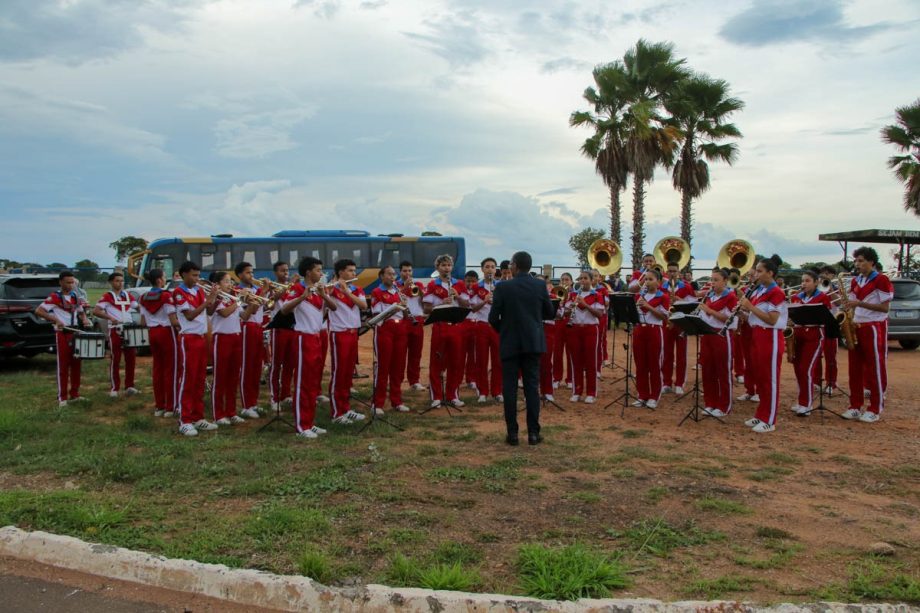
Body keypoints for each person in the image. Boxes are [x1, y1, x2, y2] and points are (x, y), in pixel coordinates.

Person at [488, 251, 555, 446]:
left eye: (511, 263)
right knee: (532, 388)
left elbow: (493, 318)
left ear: (515, 266)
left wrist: (504, 331)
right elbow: (549, 312)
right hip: (533, 342)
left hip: (510, 342)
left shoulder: (503, 287)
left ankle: (512, 434)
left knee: (509, 389)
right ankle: (533, 433)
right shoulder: (539, 285)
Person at [281, 256, 337, 439]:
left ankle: (309, 422)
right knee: (302, 383)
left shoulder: (320, 290)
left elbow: (334, 308)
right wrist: (302, 297)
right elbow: (284, 310)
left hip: (316, 338)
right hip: (302, 338)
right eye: (318, 270)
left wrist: (323, 294)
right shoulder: (297, 288)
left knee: (313, 382)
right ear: (308, 272)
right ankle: (301, 426)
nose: (321, 273)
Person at [842, 247, 893, 422]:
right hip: (857, 325)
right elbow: (852, 303)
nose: (857, 264)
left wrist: (859, 304)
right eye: (856, 261)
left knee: (874, 367)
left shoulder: (881, 279)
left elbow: (884, 308)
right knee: (854, 368)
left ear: (871, 262)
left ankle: (875, 408)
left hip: (874, 326)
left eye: (861, 261)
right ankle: (855, 405)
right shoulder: (856, 280)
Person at [738, 254, 787, 433]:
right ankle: (761, 414)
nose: (756, 274)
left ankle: (770, 419)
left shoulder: (776, 292)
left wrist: (750, 306)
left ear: (770, 273)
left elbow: (772, 319)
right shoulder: (759, 291)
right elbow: (756, 317)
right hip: (757, 334)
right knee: (760, 377)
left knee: (770, 379)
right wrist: (743, 314)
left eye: (759, 271)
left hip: (770, 336)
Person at [173, 261, 219, 437]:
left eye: (198, 275)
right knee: (188, 379)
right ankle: (184, 420)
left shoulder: (199, 291)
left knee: (200, 379)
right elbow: (190, 316)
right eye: (193, 275)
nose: (197, 279)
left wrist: (215, 299)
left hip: (201, 337)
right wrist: (208, 300)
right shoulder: (179, 292)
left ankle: (198, 417)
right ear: (184, 274)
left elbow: (208, 312)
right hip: (189, 338)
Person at [35, 270, 91, 407]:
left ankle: (75, 394)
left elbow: (81, 311)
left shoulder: (75, 296)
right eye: (68, 282)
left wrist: (84, 319)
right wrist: (55, 319)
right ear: (61, 282)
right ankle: (62, 397)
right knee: (63, 365)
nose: (71, 285)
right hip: (62, 333)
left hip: (75, 332)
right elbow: (39, 311)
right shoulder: (55, 297)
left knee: (76, 364)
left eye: (72, 282)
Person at [423, 254, 469, 408]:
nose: (446, 268)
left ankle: (452, 395)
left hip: (456, 327)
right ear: (437, 267)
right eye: (443, 265)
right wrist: (441, 303)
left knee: (456, 362)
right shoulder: (432, 285)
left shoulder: (459, 284)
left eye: (449, 265)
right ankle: (436, 396)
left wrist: (458, 297)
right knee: (436, 362)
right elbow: (426, 308)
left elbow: (466, 305)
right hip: (440, 326)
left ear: (452, 267)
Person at [208, 271, 253, 426]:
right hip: (221, 338)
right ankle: (218, 414)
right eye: (226, 281)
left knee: (233, 377)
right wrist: (240, 300)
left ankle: (231, 412)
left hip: (236, 337)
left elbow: (245, 316)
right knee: (220, 378)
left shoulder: (232, 299)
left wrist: (253, 303)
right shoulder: (218, 299)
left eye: (230, 281)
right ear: (217, 284)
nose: (230, 284)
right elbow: (225, 313)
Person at [326, 259, 368, 424]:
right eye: (350, 270)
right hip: (339, 334)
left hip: (353, 334)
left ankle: (345, 408)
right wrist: (334, 287)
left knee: (347, 374)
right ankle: (336, 413)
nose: (353, 273)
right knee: (339, 373)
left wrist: (347, 292)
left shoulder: (356, 289)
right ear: (340, 272)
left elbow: (363, 306)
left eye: (354, 270)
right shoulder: (331, 289)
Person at [788, 270, 833, 416]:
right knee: (798, 368)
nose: (804, 283)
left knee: (806, 369)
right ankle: (802, 399)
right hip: (798, 334)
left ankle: (806, 404)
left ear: (816, 283)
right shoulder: (796, 297)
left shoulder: (822, 297)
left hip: (814, 334)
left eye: (807, 281)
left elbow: (827, 318)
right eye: (803, 281)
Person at [369, 266, 410, 414]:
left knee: (398, 367)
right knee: (383, 367)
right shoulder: (377, 292)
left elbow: (405, 316)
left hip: (400, 330)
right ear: (381, 276)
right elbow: (377, 315)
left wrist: (405, 307)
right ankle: (377, 403)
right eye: (389, 274)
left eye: (394, 274)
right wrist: (396, 308)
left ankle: (397, 401)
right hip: (385, 329)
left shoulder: (399, 292)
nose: (392, 277)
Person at [697, 268, 737, 417]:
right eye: (711, 280)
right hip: (707, 334)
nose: (712, 283)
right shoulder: (710, 296)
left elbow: (731, 319)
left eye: (716, 280)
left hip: (721, 335)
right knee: (708, 370)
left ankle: (724, 405)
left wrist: (708, 310)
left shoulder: (730, 297)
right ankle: (710, 403)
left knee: (723, 371)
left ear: (725, 281)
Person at [138, 269, 179, 417]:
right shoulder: (166, 296)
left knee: (158, 369)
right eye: (164, 277)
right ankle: (171, 406)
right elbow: (173, 320)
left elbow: (143, 322)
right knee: (171, 369)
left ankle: (159, 406)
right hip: (167, 332)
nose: (165, 279)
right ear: (159, 280)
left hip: (152, 333)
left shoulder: (143, 297)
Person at [93, 272, 139, 398]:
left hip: (128, 329)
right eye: (117, 281)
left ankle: (130, 386)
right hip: (115, 329)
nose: (120, 283)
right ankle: (115, 387)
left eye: (122, 281)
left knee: (131, 358)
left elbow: (137, 307)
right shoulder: (107, 296)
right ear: (111, 282)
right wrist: (110, 318)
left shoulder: (127, 296)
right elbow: (96, 311)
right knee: (116, 359)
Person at [234, 262, 268, 419]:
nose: (251, 276)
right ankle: (246, 405)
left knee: (256, 367)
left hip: (258, 326)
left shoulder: (255, 289)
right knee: (247, 367)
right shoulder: (239, 290)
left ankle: (253, 402)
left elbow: (266, 306)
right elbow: (252, 309)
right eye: (248, 273)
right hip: (247, 327)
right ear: (240, 275)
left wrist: (265, 292)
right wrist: (264, 291)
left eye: (252, 272)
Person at [564, 271, 605, 403]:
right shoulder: (573, 295)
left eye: (585, 278)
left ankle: (591, 393)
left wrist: (585, 304)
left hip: (590, 329)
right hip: (575, 328)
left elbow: (599, 314)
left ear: (592, 280)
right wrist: (570, 308)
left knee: (590, 361)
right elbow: (565, 313)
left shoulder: (597, 295)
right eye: (581, 278)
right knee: (576, 360)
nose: (582, 281)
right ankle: (577, 391)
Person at [632, 269, 670, 409]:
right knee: (640, 365)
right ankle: (642, 395)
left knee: (654, 365)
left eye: (650, 279)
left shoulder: (663, 297)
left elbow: (664, 317)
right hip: (639, 330)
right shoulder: (639, 296)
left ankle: (654, 396)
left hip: (654, 330)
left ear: (658, 282)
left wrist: (648, 306)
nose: (647, 282)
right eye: (646, 279)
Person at [661, 262, 696, 396]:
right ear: (666, 272)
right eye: (669, 271)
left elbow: (693, 306)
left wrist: (680, 300)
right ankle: (666, 382)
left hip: (681, 324)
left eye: (674, 271)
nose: (672, 274)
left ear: (678, 272)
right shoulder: (662, 287)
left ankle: (680, 383)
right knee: (667, 354)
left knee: (681, 355)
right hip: (667, 323)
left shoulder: (686, 287)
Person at [471, 258, 502, 403]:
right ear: (482, 269)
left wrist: (498, 300)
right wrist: (484, 301)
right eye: (487, 267)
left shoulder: (501, 286)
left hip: (497, 326)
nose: (490, 269)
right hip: (482, 325)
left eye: (493, 267)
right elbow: (472, 308)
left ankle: (497, 391)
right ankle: (482, 391)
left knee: (498, 361)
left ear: (496, 270)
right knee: (481, 360)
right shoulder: (476, 287)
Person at [267, 261, 295, 411]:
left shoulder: (293, 288)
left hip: (292, 328)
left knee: (290, 364)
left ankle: (286, 394)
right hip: (278, 329)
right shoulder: (272, 287)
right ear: (275, 273)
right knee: (276, 364)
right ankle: (274, 397)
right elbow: (271, 302)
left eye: (287, 270)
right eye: (282, 271)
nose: (285, 273)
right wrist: (289, 285)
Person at [397, 261, 426, 391]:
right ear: (400, 272)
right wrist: (404, 287)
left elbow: (424, 300)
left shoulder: (418, 284)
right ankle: (397, 381)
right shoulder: (395, 285)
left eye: (409, 270)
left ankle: (414, 381)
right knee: (400, 353)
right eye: (404, 271)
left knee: (416, 353)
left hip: (417, 320)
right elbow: (395, 299)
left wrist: (418, 289)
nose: (407, 273)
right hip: (403, 320)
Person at [817, 264, 840, 394]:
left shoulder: (836, 288)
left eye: (828, 273)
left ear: (833, 276)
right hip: (818, 323)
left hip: (831, 323)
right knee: (816, 355)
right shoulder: (817, 288)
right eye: (823, 273)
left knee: (831, 356)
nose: (825, 275)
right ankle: (816, 381)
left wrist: (830, 289)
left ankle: (831, 382)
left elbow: (839, 303)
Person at [552, 272, 574, 389]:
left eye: (567, 280)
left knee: (570, 353)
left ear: (571, 282)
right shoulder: (556, 295)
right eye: (562, 280)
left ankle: (570, 379)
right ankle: (556, 378)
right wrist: (559, 303)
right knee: (557, 352)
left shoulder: (575, 295)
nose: (564, 282)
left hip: (570, 325)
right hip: (558, 325)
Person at [461, 270, 480, 391]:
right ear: (464, 281)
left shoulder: (480, 292)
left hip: (475, 324)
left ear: (477, 282)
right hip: (463, 324)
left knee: (473, 354)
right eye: (468, 281)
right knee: (460, 353)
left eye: (473, 281)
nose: (471, 284)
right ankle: (457, 378)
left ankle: (471, 379)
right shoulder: (460, 292)